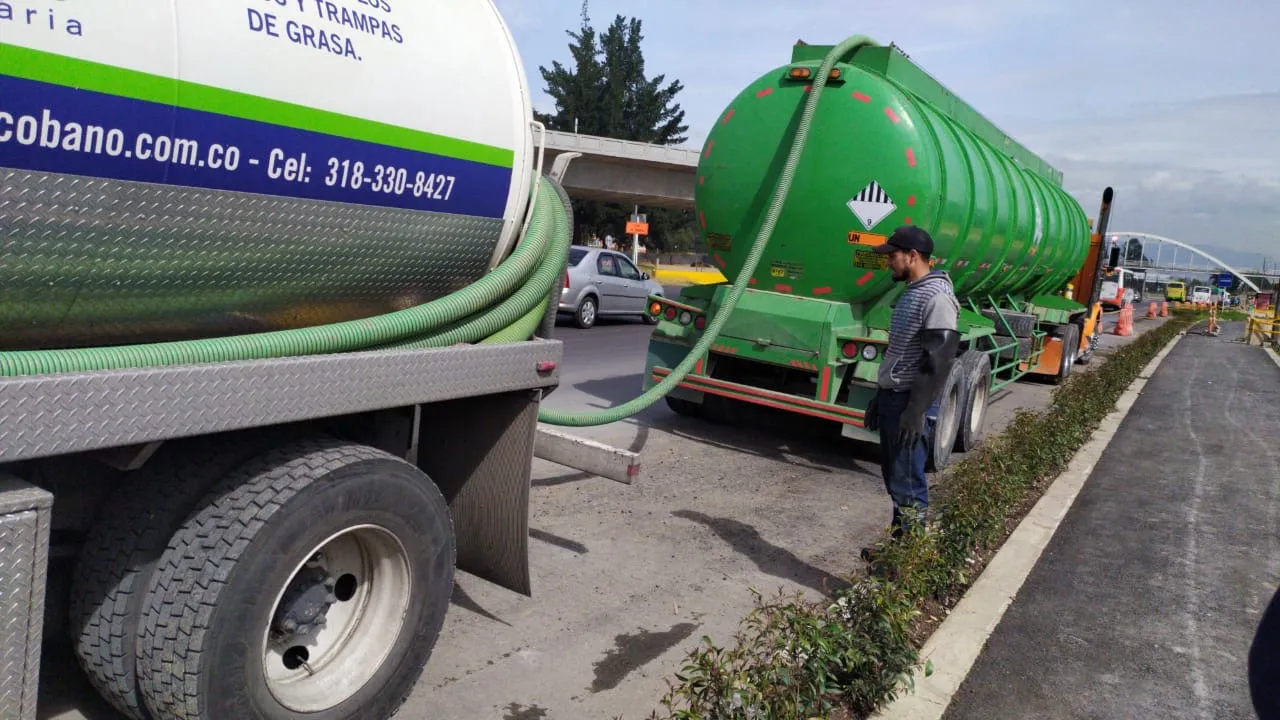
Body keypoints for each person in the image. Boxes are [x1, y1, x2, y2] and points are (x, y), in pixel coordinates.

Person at [863, 225, 960, 547]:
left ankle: (907, 563)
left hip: (910, 402)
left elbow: (938, 361)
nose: (888, 262)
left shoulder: (937, 298)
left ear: (913, 256)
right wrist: (881, 394)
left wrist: (915, 411)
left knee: (907, 482)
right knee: (896, 478)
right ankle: (897, 551)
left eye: (892, 256)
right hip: (896, 397)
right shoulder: (913, 291)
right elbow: (902, 351)